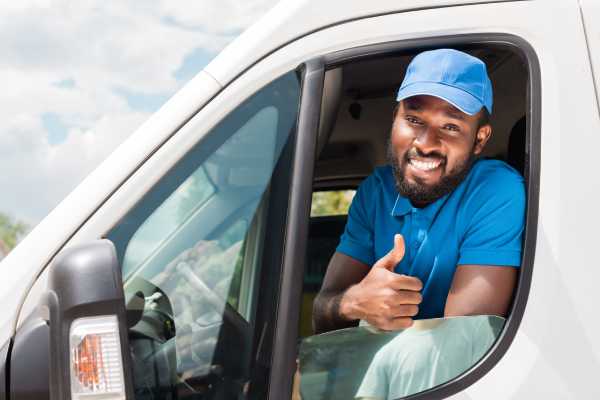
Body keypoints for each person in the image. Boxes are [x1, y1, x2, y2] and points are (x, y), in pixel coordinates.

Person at [312, 48, 526, 334]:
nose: (426, 143)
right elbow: (321, 315)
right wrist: (354, 302)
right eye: (414, 120)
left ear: (479, 140)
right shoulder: (375, 191)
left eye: (450, 126)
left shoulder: (495, 190)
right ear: (394, 119)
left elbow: (464, 342)